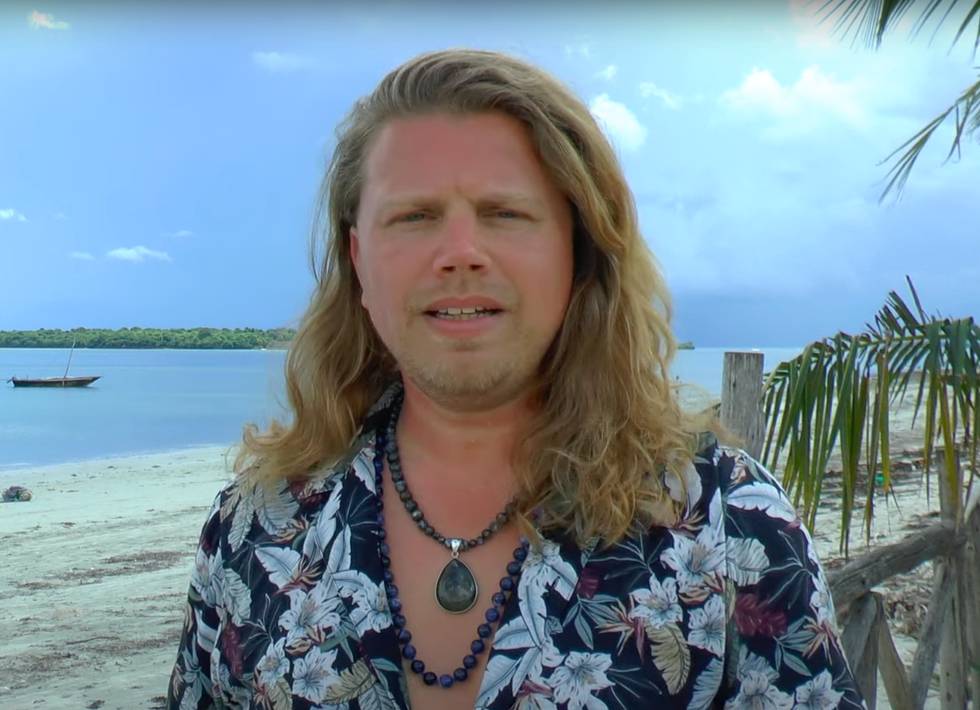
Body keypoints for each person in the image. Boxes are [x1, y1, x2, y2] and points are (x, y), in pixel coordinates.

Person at [166, 48, 866, 710]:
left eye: (505, 213)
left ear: (579, 250)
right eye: (415, 216)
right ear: (358, 260)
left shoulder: (728, 522)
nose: (461, 253)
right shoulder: (258, 530)